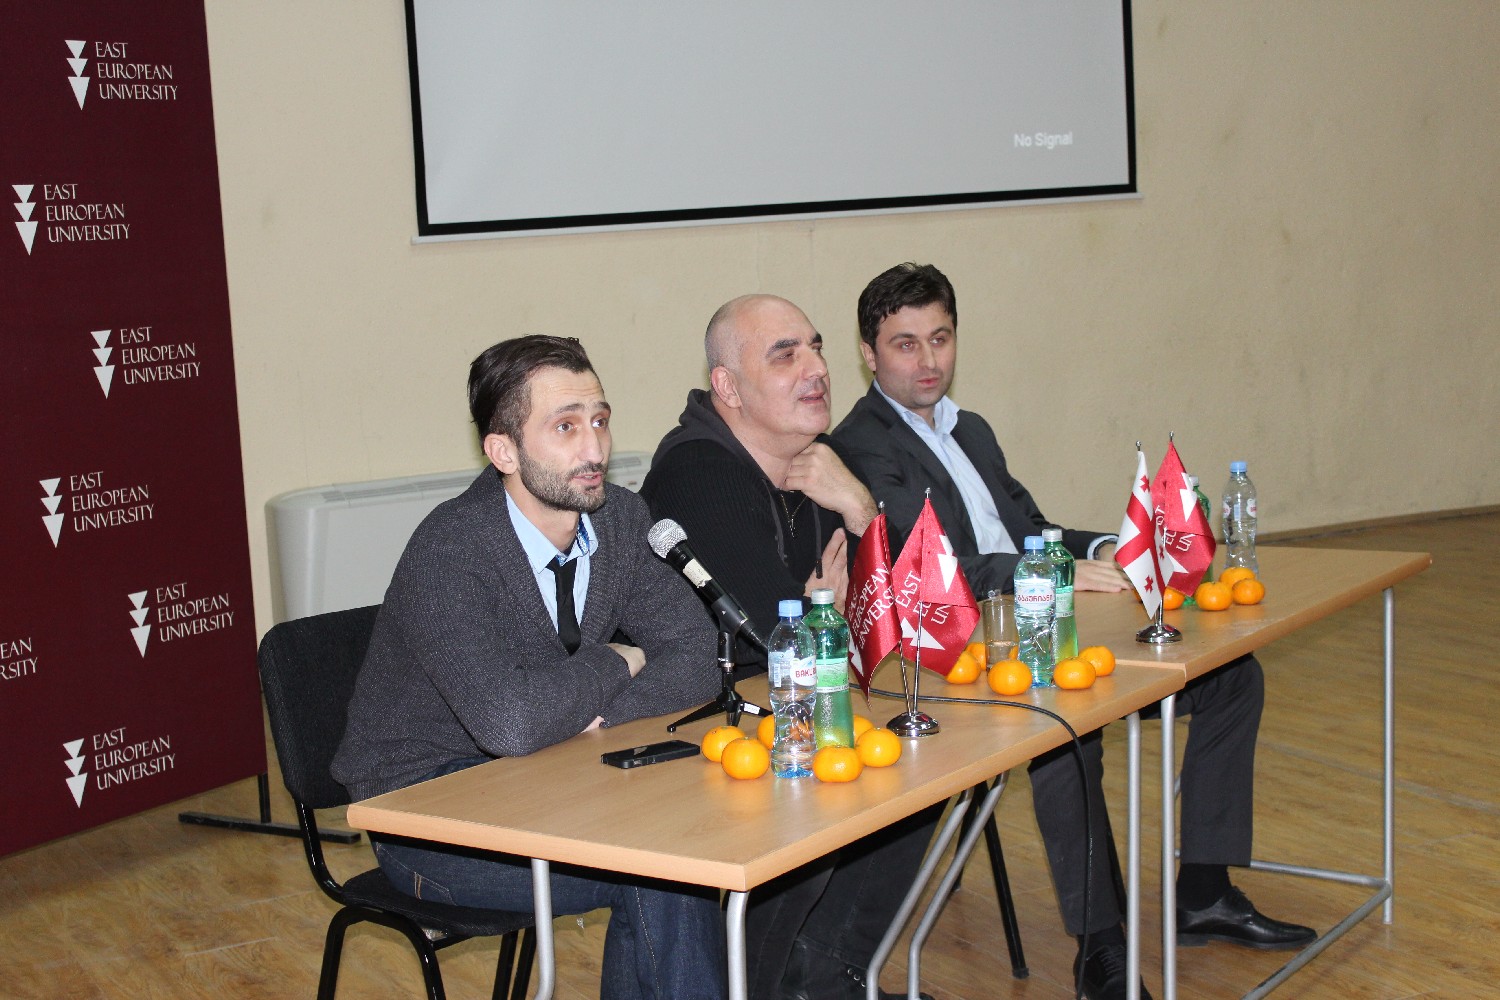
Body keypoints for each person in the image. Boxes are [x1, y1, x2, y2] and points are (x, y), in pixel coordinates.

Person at [830, 263, 1316, 1000]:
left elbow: (1031, 526)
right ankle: (1102, 950)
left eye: (941, 338)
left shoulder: (970, 428)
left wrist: (1104, 549)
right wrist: (1051, 570)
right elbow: (925, 566)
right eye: (905, 344)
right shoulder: (862, 443)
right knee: (1064, 726)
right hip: (954, 654)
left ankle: (1204, 891)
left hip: (1041, 620)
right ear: (869, 353)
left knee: (1232, 679)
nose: (928, 360)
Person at [333, 335, 726, 1000]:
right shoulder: (451, 548)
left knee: (681, 842)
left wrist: (592, 718)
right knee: (662, 869)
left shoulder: (619, 520)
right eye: (565, 427)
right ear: (504, 451)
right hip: (426, 815)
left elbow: (696, 655)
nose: (594, 449)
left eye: (599, 420)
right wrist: (616, 659)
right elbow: (512, 723)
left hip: (551, 775)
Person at [640, 295, 939, 1000]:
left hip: (782, 720)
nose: (817, 369)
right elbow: (775, 640)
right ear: (728, 387)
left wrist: (860, 507)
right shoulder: (697, 472)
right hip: (684, 736)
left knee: (921, 769)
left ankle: (827, 978)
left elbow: (916, 608)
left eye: (816, 347)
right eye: (786, 355)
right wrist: (830, 610)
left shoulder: (821, 464)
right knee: (813, 802)